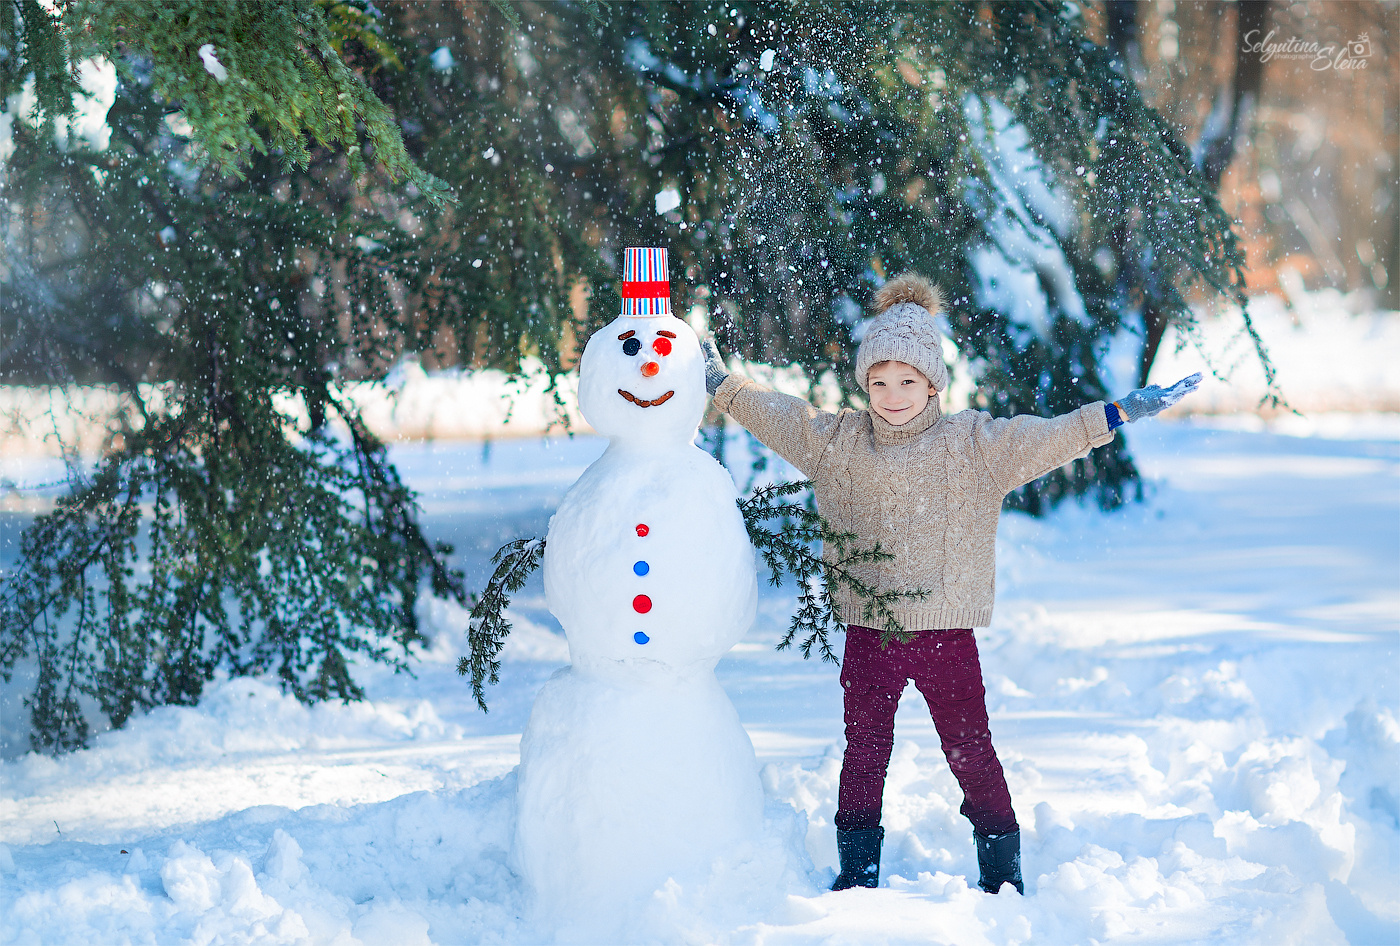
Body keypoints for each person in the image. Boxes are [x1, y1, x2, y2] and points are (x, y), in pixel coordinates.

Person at [701, 274, 1200, 895]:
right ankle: (857, 873)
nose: (892, 395)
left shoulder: (973, 445)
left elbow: (1048, 437)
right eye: (878, 382)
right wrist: (723, 387)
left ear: (933, 383)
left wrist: (1117, 412)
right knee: (863, 756)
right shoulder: (841, 443)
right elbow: (784, 417)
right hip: (871, 633)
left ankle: (1002, 876)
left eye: (907, 381)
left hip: (946, 637)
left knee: (971, 753)